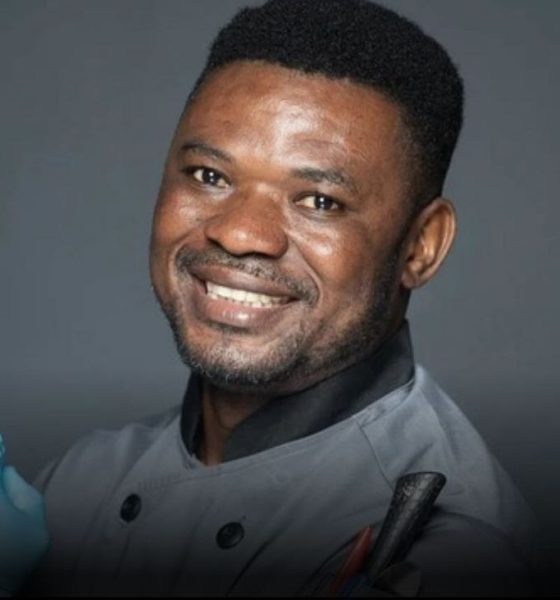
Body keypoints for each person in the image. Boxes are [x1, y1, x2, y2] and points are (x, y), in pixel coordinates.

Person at [2, 0, 540, 596]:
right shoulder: (79, 482)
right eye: (210, 176)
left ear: (421, 246)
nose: (239, 233)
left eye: (319, 202)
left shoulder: (452, 543)